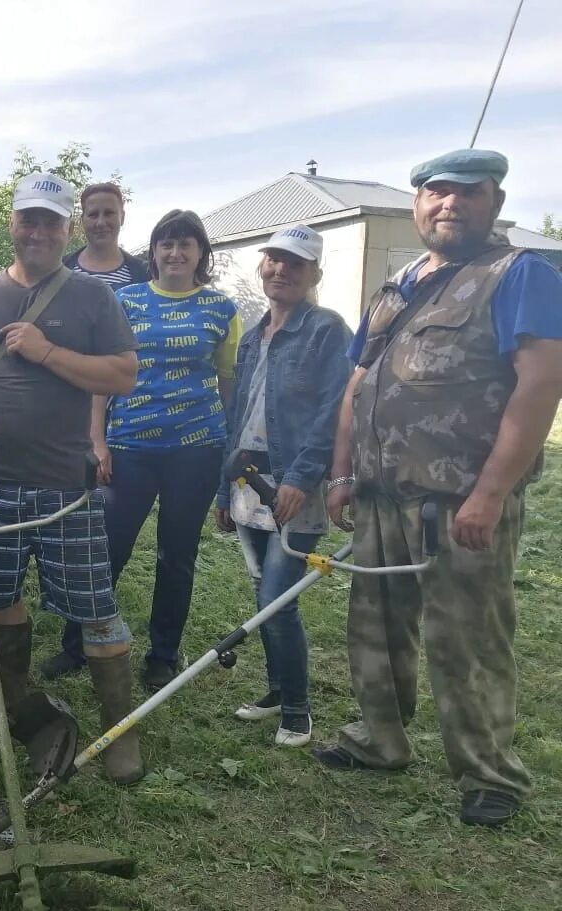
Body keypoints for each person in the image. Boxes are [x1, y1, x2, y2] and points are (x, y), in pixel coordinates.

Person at [313, 149, 562, 827]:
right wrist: (341, 473)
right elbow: (357, 384)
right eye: (437, 192)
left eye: (468, 193)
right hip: (380, 492)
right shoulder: (397, 284)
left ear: (496, 204)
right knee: (374, 625)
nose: (450, 203)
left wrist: (489, 493)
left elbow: (540, 384)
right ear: (417, 202)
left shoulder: (519, 276)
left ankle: (490, 776)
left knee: (468, 639)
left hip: (461, 500)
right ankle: (380, 739)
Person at [0, 173, 144, 784]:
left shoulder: (93, 299)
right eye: (28, 219)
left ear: (67, 230)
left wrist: (46, 352)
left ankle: (118, 732)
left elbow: (123, 375)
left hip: (65, 487)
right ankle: (5, 699)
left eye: (51, 221)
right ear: (11, 224)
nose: (38, 231)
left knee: (96, 610)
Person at [56, 209, 241, 694]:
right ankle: (77, 644)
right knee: (107, 552)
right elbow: (102, 376)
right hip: (128, 447)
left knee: (175, 556)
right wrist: (97, 439)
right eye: (166, 244)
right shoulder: (126, 300)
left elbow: (227, 383)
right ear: (154, 252)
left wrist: (217, 434)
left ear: (201, 254)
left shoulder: (222, 309)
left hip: (195, 451)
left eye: (186, 244)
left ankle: (163, 654)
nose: (175, 253)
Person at [213, 225, 352, 747]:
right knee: (262, 592)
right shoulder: (252, 336)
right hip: (248, 478)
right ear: (262, 266)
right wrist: (223, 491)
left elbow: (333, 410)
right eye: (274, 260)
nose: (282, 270)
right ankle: (275, 691)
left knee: (278, 595)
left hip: (297, 483)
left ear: (315, 273)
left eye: (296, 263)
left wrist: (301, 476)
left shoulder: (326, 330)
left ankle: (298, 709)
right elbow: (238, 415)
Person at [42, 181, 151, 678]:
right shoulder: (62, 272)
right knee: (75, 528)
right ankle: (74, 643)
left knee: (111, 531)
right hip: (67, 411)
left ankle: (101, 632)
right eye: (93, 213)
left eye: (110, 212)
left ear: (123, 216)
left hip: (127, 411)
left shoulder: (142, 275)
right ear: (80, 220)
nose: (101, 221)